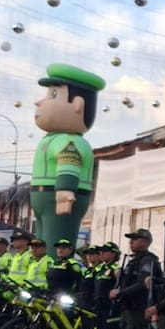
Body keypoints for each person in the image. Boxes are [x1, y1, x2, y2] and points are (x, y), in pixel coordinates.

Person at [30, 64, 105, 246]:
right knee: (41, 244)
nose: (40, 102)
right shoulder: (53, 139)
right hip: (45, 197)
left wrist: (65, 189)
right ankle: (42, 272)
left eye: (53, 95)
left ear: (77, 104)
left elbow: (68, 162)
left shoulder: (69, 141)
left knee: (56, 244)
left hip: (59, 197)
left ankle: (55, 272)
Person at [43, 239, 83, 329]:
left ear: (70, 250)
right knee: (51, 328)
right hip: (52, 299)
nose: (60, 250)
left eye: (64, 248)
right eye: (59, 247)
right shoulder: (55, 263)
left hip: (65, 301)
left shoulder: (73, 264)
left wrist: (74, 298)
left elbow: (79, 283)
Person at [89, 243, 121, 329]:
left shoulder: (116, 269)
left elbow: (120, 285)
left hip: (111, 310)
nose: (102, 254)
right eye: (101, 251)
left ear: (114, 254)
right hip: (99, 309)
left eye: (106, 251)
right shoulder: (101, 269)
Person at [71, 244, 102, 329]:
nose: (89, 257)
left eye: (92, 254)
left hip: (93, 307)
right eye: (88, 254)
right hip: (84, 306)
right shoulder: (89, 270)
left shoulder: (100, 270)